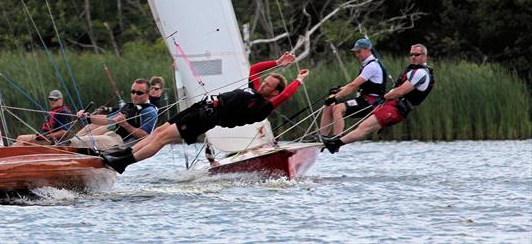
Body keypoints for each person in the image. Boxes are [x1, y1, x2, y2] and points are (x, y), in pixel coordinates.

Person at [103, 52, 308, 173]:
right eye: (265, 82)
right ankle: (124, 153)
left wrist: (298, 81)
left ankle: (124, 163)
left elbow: (286, 96)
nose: (263, 85)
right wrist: (278, 63)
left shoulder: (263, 107)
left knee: (163, 138)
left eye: (268, 85)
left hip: (206, 118)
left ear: (275, 92)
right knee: (159, 131)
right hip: (201, 107)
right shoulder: (253, 88)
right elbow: (254, 68)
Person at [322, 44, 435, 154]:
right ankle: (332, 141)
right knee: (363, 126)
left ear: (424, 55)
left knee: (364, 127)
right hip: (390, 106)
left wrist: (385, 96)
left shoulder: (421, 73)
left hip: (395, 110)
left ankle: (335, 143)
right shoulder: (414, 70)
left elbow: (400, 92)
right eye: (411, 55)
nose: (413, 57)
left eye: (416, 55)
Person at [319, 38, 387, 136]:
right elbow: (355, 84)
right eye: (356, 52)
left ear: (368, 49)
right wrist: (338, 90)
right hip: (363, 100)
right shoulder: (366, 65)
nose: (357, 55)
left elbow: (353, 85)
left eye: (359, 51)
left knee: (337, 109)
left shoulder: (372, 66)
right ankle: (321, 136)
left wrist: (336, 96)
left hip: (372, 103)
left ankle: (336, 139)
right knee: (329, 106)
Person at [69, 79, 159, 150]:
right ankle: (62, 149)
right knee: (82, 133)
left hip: (120, 143)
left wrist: (125, 125)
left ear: (148, 94)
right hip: (110, 135)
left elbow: (146, 136)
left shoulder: (149, 111)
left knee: (76, 142)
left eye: (139, 93)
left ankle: (67, 148)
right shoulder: (129, 106)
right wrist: (87, 117)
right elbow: (107, 119)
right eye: (133, 92)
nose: (135, 95)